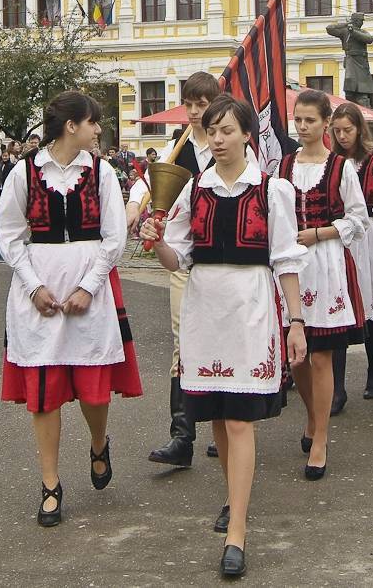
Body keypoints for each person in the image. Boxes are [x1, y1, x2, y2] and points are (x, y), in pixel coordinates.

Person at [141, 94, 307, 579]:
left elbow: (286, 260)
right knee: (215, 415)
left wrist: (296, 321)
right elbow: (179, 259)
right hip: (204, 308)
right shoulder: (193, 190)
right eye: (211, 130)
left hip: (251, 306)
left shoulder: (272, 190)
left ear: (246, 136)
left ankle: (237, 530)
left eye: (227, 130)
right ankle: (233, 499)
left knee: (239, 420)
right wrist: (158, 245)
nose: (217, 138)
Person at [0, 90, 141, 529]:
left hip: (88, 290)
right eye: (93, 122)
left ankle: (99, 442)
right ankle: (50, 484)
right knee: (43, 391)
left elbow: (114, 238)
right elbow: (9, 235)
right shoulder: (24, 172)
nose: (98, 129)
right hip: (38, 294)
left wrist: (88, 286)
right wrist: (33, 285)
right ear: (71, 126)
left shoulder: (100, 172)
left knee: (94, 387)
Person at [127, 73, 249, 468]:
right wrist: (135, 208)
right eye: (191, 105)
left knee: (225, 343)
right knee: (185, 345)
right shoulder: (173, 149)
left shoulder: (227, 145)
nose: (196, 113)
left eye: (203, 104)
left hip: (228, 260)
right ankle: (182, 435)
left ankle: (221, 422)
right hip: (184, 257)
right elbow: (145, 185)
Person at [278, 90, 366, 476]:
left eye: (310, 120)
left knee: (322, 355)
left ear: (325, 123)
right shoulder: (283, 166)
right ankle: (313, 415)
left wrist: (319, 233)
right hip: (290, 267)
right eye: (297, 120)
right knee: (296, 354)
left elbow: (358, 220)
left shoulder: (341, 167)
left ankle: (321, 437)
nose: (302, 127)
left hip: (326, 264)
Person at [329, 101, 373, 403]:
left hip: (366, 237)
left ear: (358, 129)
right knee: (339, 307)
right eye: (337, 131)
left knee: (370, 310)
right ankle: (337, 386)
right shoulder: (331, 162)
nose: (342, 136)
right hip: (339, 237)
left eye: (347, 130)